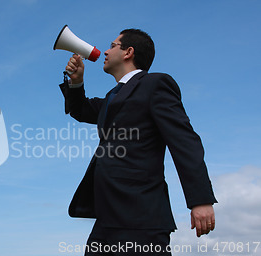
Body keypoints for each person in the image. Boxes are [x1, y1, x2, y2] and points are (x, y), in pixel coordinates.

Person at [59, 29, 217, 255]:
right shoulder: (113, 97)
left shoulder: (155, 84)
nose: (105, 50)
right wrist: (76, 83)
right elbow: (80, 110)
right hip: (108, 217)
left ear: (128, 52)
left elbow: (184, 141)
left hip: (141, 216)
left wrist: (200, 200)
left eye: (113, 45)